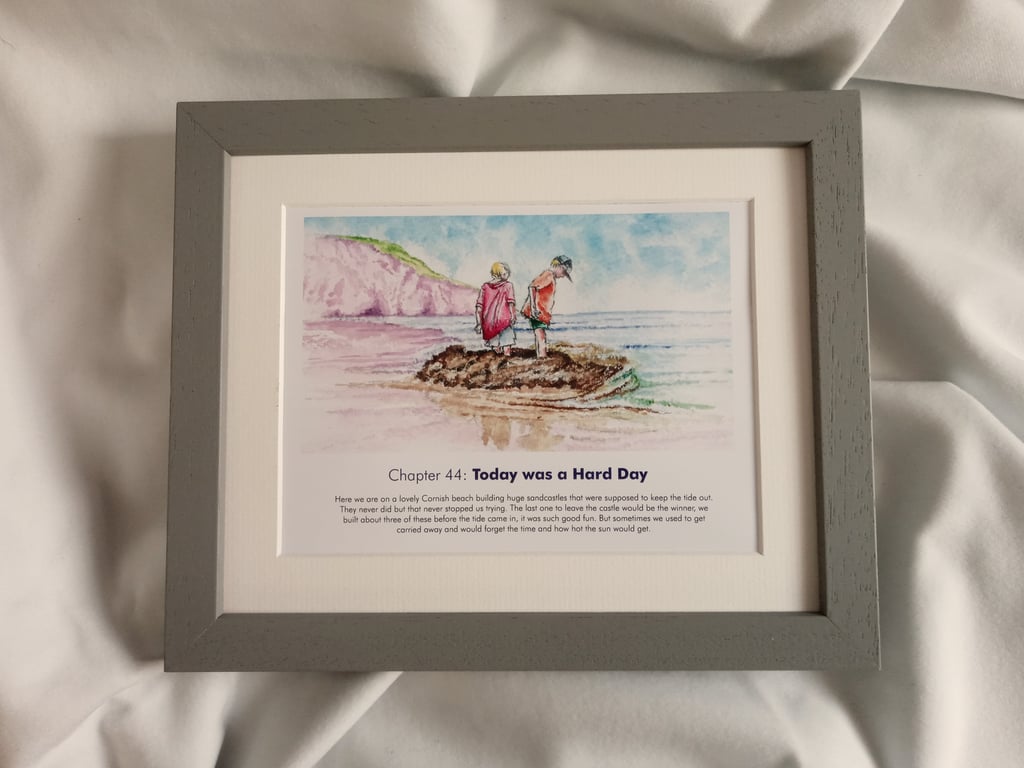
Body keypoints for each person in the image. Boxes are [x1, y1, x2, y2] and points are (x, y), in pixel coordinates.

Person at [521, 255, 573, 358]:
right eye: (563, 272)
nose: (563, 276)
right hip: (537, 311)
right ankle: (542, 356)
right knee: (540, 334)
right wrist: (533, 308)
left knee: (540, 333)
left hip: (541, 312)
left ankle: (541, 355)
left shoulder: (551, 277)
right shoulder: (548, 275)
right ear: (559, 267)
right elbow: (532, 287)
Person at [474, 261, 517, 356]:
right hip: (504, 320)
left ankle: (498, 359)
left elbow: (479, 307)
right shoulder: (508, 285)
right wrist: (513, 315)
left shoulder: (485, 287)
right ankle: (506, 359)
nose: (508, 275)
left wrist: (479, 323)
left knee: (495, 346)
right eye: (505, 273)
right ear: (498, 274)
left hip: (489, 322)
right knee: (507, 344)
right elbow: (511, 303)